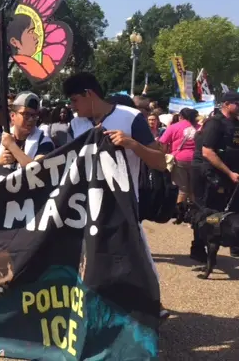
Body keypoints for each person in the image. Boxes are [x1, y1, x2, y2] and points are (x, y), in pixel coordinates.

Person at [63, 72, 167, 319]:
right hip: (85, 207)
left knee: (133, 258)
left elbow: (161, 163)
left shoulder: (130, 118)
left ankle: (148, 308)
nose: (71, 106)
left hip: (123, 206)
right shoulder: (76, 125)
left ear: (89, 94)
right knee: (87, 263)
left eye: (74, 100)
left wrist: (133, 145)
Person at [191, 91, 239, 260]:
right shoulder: (215, 123)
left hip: (232, 175)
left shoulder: (236, 124)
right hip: (211, 174)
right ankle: (199, 248)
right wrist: (229, 172)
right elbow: (207, 152)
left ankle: (236, 244)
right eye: (238, 104)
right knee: (208, 214)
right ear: (226, 104)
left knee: (234, 212)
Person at [0, 92, 54, 170]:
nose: (31, 119)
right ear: (13, 116)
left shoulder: (44, 142)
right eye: (26, 114)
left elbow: (37, 171)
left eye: (34, 115)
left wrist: (12, 146)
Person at [159, 108, 199, 224]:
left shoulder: (174, 127)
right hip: (196, 159)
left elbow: (163, 143)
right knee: (193, 189)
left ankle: (179, 215)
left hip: (179, 158)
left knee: (181, 189)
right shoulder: (199, 128)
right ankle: (194, 214)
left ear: (181, 116)